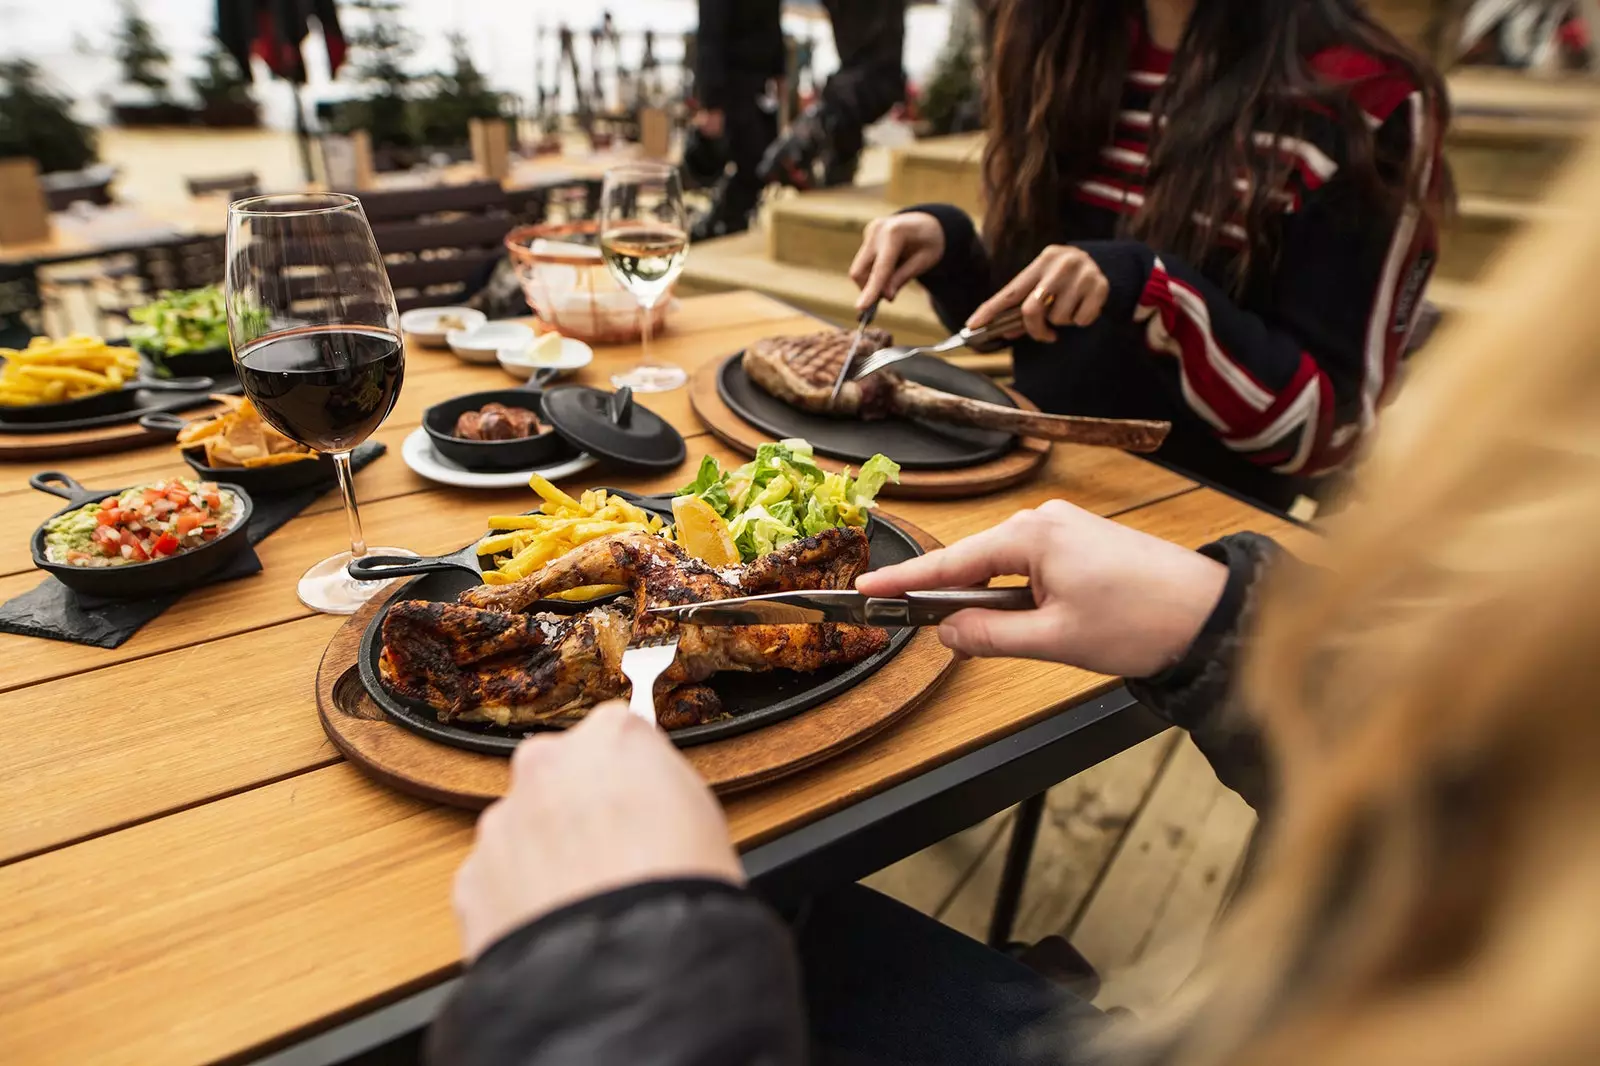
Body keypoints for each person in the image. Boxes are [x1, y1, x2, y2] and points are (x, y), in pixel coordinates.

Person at [428, 116, 1600, 1065]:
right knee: (790, 897)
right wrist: (1229, 626)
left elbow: (1320, 423)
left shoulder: (1364, 110)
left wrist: (618, 999)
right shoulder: (1068, 53)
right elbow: (1477, 804)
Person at [851, 0, 1450, 513]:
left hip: (1198, 525)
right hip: (1032, 487)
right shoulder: (1067, 36)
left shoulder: (1366, 98)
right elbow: (1044, 327)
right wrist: (950, 248)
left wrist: (1153, 292)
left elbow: (1325, 433)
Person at [692, 0, 908, 239]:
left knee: (756, 156)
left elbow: (770, 23)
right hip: (735, 84)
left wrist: (779, 71)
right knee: (748, 160)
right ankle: (720, 221)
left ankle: (815, 152)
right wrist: (711, 102)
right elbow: (709, 38)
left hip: (760, 84)